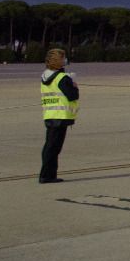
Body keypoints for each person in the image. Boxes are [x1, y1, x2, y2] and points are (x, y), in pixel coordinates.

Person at [39, 48, 81, 183]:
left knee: (49, 146)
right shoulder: (62, 78)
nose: (65, 60)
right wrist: (74, 85)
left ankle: (48, 174)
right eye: (63, 58)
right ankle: (47, 175)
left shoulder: (45, 76)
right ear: (58, 61)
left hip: (50, 114)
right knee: (54, 147)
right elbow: (72, 95)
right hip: (61, 116)